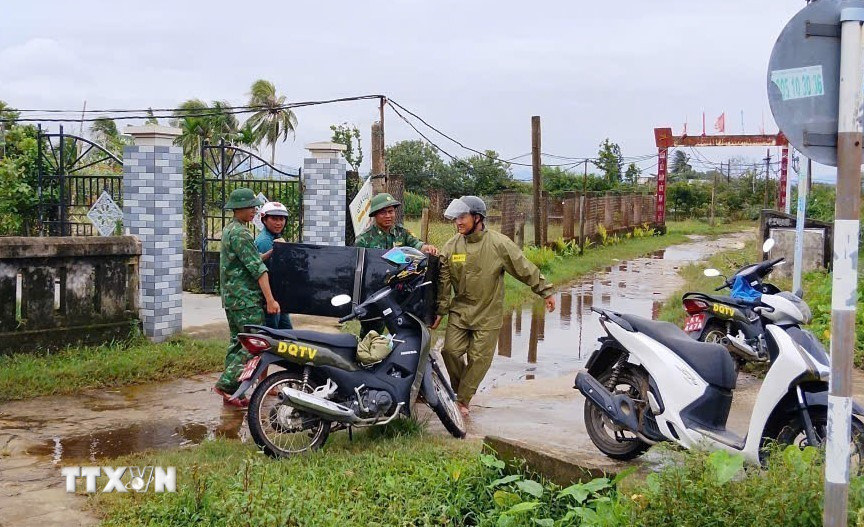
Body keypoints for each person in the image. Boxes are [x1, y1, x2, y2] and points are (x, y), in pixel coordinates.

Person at [431, 196, 556, 418]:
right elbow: (444, 283)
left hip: (488, 313)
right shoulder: (451, 246)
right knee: (449, 351)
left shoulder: (499, 244)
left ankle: (461, 400)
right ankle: (462, 392)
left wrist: (545, 290)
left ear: (477, 218)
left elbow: (523, 267)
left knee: (479, 359)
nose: (458, 222)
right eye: (456, 218)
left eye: (462, 217)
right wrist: (440, 311)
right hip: (460, 311)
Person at [213, 188, 281, 407]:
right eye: (250, 207)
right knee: (253, 343)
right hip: (245, 299)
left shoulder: (231, 230)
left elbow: (252, 258)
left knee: (237, 342)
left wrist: (272, 252)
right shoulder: (241, 233)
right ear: (239, 208)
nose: (254, 211)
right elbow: (258, 268)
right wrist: (270, 300)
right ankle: (226, 385)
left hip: (232, 299)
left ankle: (234, 390)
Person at [354, 192, 438, 336]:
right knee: (372, 331)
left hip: (400, 290)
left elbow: (416, 244)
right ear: (375, 214)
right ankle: (366, 356)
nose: (388, 216)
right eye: (383, 213)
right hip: (375, 291)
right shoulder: (363, 239)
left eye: (391, 211)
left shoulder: (402, 233)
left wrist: (426, 248)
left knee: (404, 329)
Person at [255, 201, 292, 330]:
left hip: (277, 296)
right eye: (274, 219)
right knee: (273, 335)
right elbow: (266, 272)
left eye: (281, 219)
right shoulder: (265, 241)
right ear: (264, 220)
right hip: (270, 297)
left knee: (287, 335)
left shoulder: (275, 238)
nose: (279, 223)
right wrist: (270, 300)